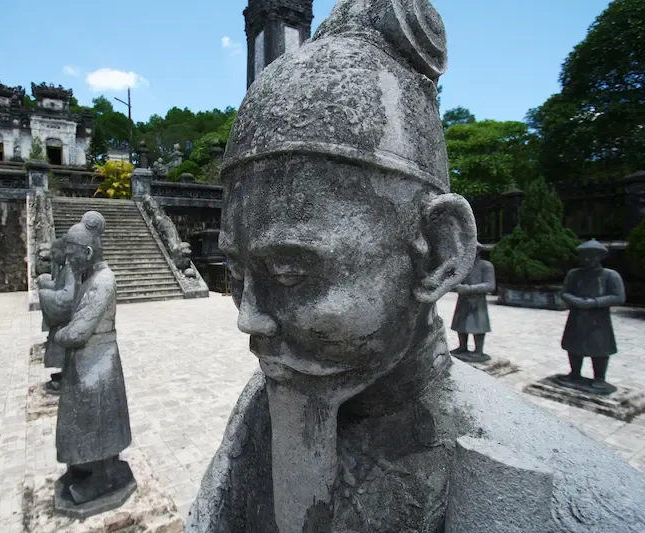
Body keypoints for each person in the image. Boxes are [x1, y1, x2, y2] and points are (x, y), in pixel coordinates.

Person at [185, 1, 645, 532]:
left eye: (291, 274)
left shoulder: (583, 502)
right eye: (239, 276)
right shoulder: (258, 412)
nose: (249, 319)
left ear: (438, 254)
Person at [53, 211, 135, 510]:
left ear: (87, 252)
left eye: (73, 255)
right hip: (89, 359)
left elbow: (79, 331)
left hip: (97, 360)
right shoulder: (88, 277)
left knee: (97, 419)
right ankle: (88, 465)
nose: (68, 260)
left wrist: (60, 336)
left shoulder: (102, 281)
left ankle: (104, 474)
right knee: (87, 419)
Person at [556, 239, 626, 395]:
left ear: (600, 257)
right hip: (577, 316)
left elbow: (619, 297)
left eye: (591, 256)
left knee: (600, 347)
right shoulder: (574, 274)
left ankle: (599, 378)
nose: (586, 260)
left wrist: (594, 302)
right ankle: (574, 373)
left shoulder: (610, 275)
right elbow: (565, 292)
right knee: (573, 344)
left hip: (599, 318)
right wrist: (577, 302)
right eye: (584, 256)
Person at [38, 237, 75, 393]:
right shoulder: (64, 270)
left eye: (54, 253)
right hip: (63, 321)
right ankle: (65, 374)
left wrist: (45, 294)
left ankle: (69, 378)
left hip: (67, 320)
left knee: (64, 346)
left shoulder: (70, 271)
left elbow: (69, 297)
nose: (51, 256)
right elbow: (58, 285)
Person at [449, 244, 496, 362]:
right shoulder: (462, 267)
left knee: (478, 325)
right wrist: (456, 286)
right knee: (461, 324)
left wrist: (469, 289)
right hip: (463, 300)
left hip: (477, 301)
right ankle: (462, 346)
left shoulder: (486, 266)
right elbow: (453, 281)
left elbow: (490, 285)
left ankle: (478, 350)